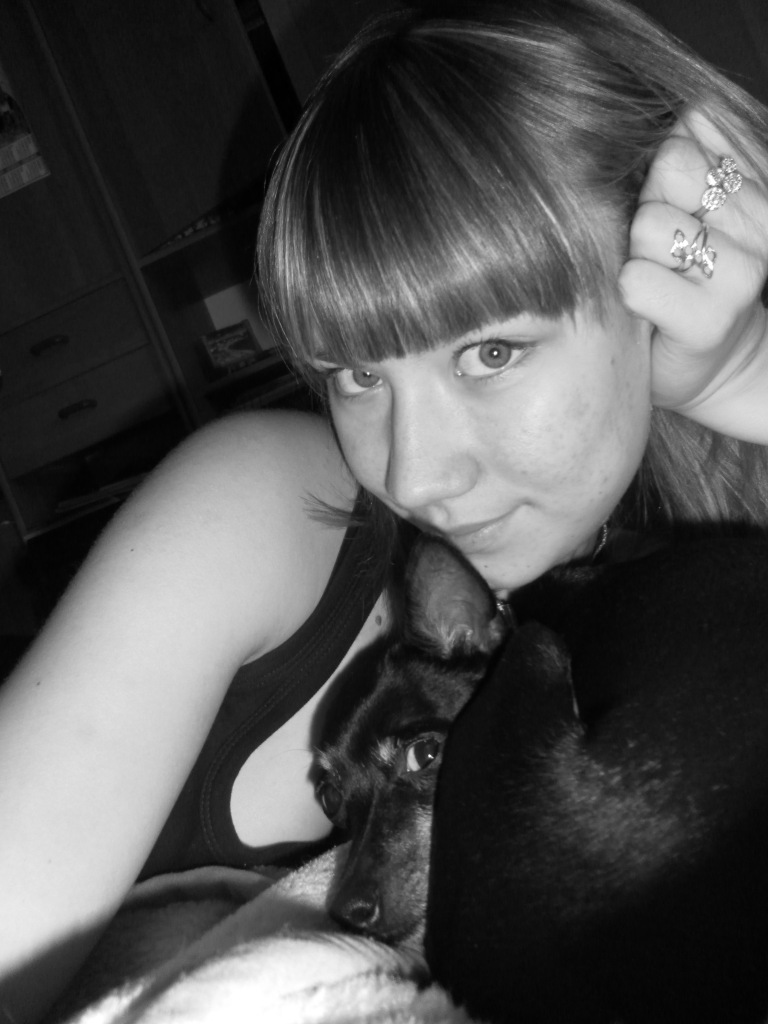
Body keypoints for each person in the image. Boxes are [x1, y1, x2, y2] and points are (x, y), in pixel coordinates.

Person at [1, 0, 768, 1020]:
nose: (412, 475)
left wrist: (747, 381)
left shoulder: (696, 568)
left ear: (668, 279)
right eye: (357, 373)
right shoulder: (265, 505)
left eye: (491, 350)